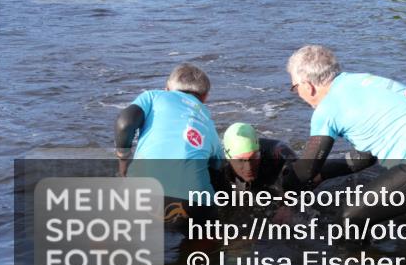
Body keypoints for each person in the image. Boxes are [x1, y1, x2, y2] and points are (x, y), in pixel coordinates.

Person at [286, 45, 406, 226]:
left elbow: (306, 170)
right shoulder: (363, 82)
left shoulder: (327, 108)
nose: (298, 94)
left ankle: (353, 253)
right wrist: (323, 175)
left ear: (307, 86)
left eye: (295, 88)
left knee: (349, 218)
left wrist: (281, 198)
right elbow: (364, 158)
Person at [114, 64, 223, 233]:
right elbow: (218, 169)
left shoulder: (153, 97)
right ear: (205, 97)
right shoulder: (209, 126)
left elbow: (125, 123)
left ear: (167, 88)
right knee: (206, 240)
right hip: (192, 204)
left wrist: (123, 163)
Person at [214, 122, 299, 194]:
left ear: (259, 151)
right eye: (241, 160)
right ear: (228, 158)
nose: (249, 167)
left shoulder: (277, 154)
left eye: (253, 158)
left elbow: (298, 169)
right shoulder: (219, 167)